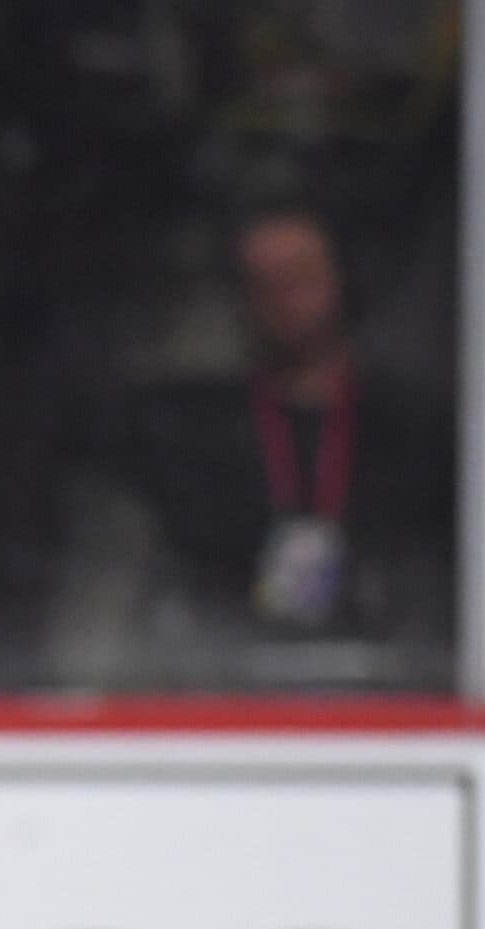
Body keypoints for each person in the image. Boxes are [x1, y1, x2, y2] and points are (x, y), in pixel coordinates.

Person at [114, 201, 453, 685]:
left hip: (390, 687)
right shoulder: (191, 437)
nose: (284, 298)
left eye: (300, 276)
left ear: (341, 281)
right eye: (261, 283)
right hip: (232, 682)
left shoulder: (412, 431)